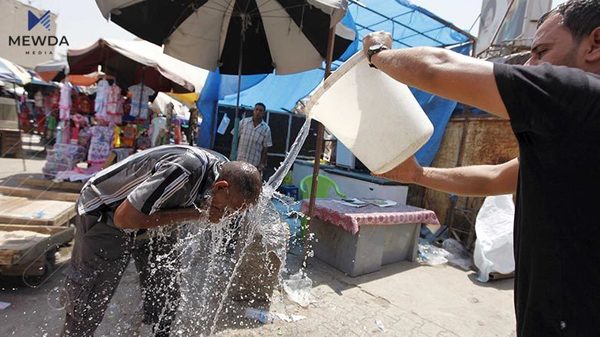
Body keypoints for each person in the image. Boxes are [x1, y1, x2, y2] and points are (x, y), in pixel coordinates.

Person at [362, 1, 600, 336]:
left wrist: (377, 53)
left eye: (541, 51)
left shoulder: (582, 95)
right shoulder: (577, 130)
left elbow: (436, 67)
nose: (531, 64)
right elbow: (499, 177)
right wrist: (418, 175)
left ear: (595, 44)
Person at [62, 144, 262, 337]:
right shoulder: (185, 170)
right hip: (106, 212)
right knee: (91, 299)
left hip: (153, 215)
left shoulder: (225, 174)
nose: (226, 216)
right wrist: (196, 214)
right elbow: (124, 219)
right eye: (227, 209)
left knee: (166, 292)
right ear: (220, 187)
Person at [235, 102, 272, 172]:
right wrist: (233, 153)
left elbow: (265, 148)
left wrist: (262, 163)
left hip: (253, 164)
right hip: (239, 160)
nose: (258, 112)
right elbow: (235, 138)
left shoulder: (266, 129)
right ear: (253, 111)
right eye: (256, 109)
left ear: (264, 113)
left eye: (260, 111)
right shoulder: (243, 122)